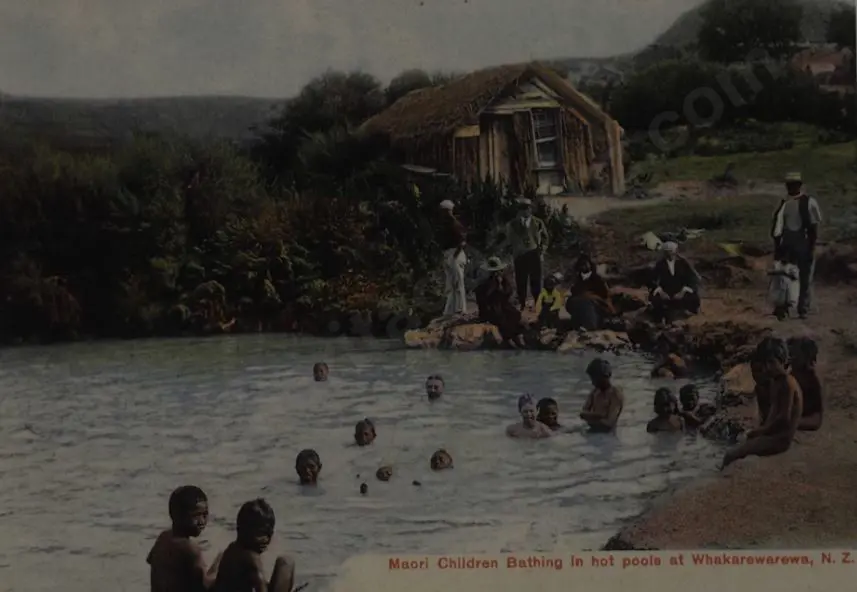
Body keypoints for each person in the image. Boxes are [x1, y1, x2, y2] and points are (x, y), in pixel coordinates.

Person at [720, 337, 803, 470]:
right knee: (741, 442)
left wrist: (760, 431)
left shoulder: (787, 383)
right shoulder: (777, 381)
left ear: (782, 360)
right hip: (775, 435)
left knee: (730, 455)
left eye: (772, 362)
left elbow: (783, 419)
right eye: (766, 364)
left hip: (780, 440)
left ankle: (722, 480)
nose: (768, 368)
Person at [212, 498, 296, 592]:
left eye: (269, 534)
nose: (266, 539)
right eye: (261, 534)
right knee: (286, 563)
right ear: (243, 531)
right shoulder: (251, 558)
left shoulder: (231, 549)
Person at [147, 485, 220, 592]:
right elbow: (205, 588)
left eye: (205, 515)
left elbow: (152, 562)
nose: (202, 521)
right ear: (177, 515)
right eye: (196, 515)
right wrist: (221, 567)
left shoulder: (163, 538)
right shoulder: (190, 549)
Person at [770, 172, 822, 319]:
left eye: (793, 184)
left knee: (804, 277)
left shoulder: (808, 202)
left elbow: (814, 227)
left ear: (799, 185)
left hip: (802, 241)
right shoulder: (784, 203)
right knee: (786, 276)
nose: (791, 187)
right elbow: (778, 227)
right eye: (789, 185)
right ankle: (785, 307)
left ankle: (802, 308)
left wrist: (811, 246)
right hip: (789, 242)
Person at [497, 197, 549, 310]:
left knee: (536, 280)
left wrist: (542, 249)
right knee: (521, 280)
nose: (525, 211)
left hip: (535, 255)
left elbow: (545, 238)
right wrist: (510, 250)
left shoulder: (538, 222)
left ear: (531, 209)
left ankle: (537, 302)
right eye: (522, 209)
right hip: (520, 256)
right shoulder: (512, 224)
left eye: (527, 208)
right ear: (518, 210)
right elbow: (509, 240)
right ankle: (522, 303)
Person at [474, 256, 527, 348]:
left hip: (502, 305)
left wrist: (500, 285)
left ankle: (517, 336)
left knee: (515, 314)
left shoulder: (504, 280)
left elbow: (507, 293)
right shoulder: (485, 283)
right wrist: (496, 286)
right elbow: (485, 298)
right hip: (490, 307)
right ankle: (508, 338)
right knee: (501, 317)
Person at [648, 242, 701, 324]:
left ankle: (686, 314)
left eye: (672, 251)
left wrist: (683, 291)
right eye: (668, 252)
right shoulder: (659, 264)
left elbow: (693, 278)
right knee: (655, 300)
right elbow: (653, 280)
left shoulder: (683, 263)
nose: (670, 254)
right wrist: (661, 291)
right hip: (666, 291)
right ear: (664, 253)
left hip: (681, 290)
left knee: (693, 298)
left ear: (676, 251)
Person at [566, 255, 615, 330]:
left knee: (587, 303)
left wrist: (591, 296)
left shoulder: (598, 279)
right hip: (579, 304)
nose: (583, 266)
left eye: (585, 264)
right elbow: (574, 293)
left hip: (596, 304)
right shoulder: (577, 280)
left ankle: (590, 326)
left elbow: (605, 295)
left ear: (590, 265)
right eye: (581, 264)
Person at [437, 200, 468, 315]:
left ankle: (461, 308)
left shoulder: (455, 224)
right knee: (450, 283)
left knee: (458, 282)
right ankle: (450, 309)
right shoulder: (445, 225)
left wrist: (454, 257)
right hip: (448, 254)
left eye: (445, 211)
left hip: (456, 254)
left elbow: (462, 242)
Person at [787, 336, 823, 431]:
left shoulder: (811, 382)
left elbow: (815, 420)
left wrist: (790, 422)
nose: (790, 357)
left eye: (794, 354)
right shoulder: (791, 376)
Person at [580, 358, 624, 432]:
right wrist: (600, 415)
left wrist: (591, 417)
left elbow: (609, 423)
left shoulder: (615, 394)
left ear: (604, 376)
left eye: (594, 378)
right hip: (592, 432)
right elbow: (582, 413)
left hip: (607, 436)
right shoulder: (595, 392)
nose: (592, 382)